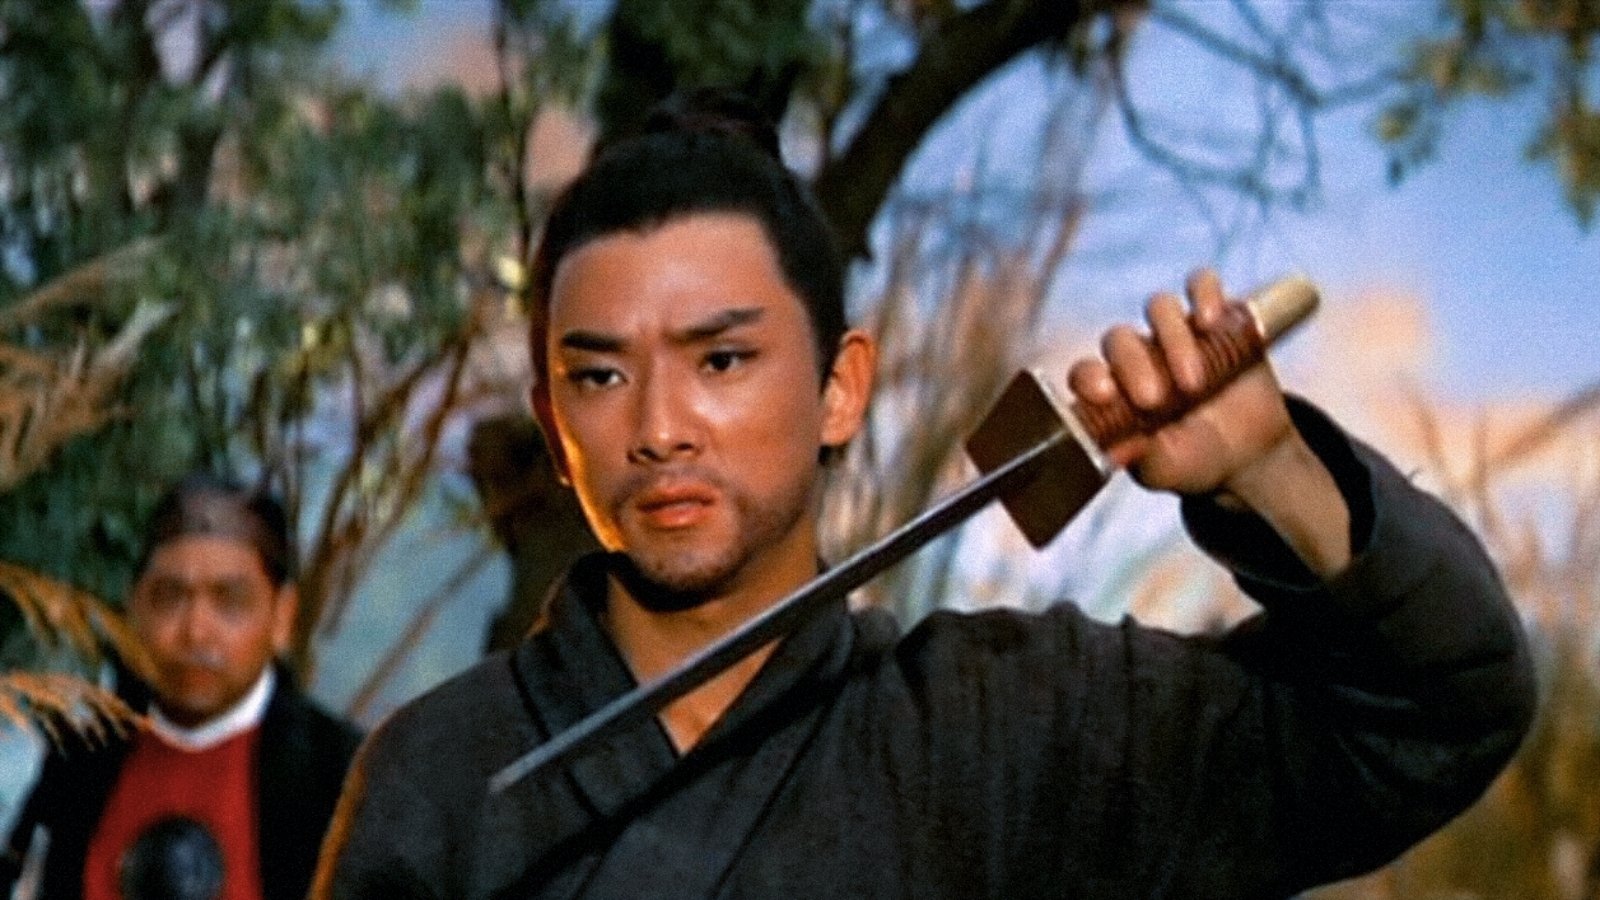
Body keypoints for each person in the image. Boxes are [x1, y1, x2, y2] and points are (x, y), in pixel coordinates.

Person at [313, 97, 1536, 899]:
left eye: (722, 359)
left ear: (841, 388)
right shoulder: (437, 773)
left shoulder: (1010, 727)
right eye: (599, 375)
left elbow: (1437, 715)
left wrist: (1267, 467)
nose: (658, 426)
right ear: (552, 425)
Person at [2, 474, 362, 900]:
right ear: (135, 607)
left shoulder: (343, 780)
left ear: (282, 617)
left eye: (229, 601)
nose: (196, 631)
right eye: (170, 596)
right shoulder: (81, 755)